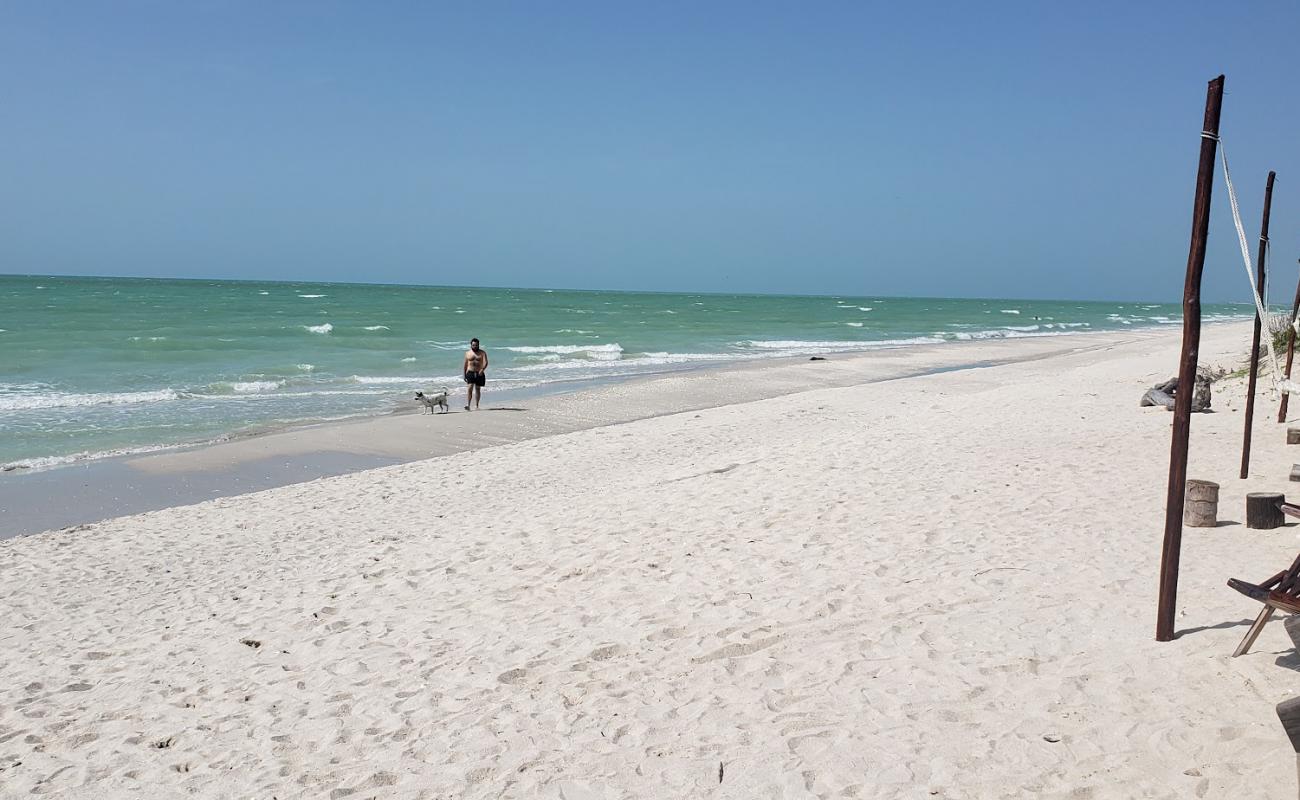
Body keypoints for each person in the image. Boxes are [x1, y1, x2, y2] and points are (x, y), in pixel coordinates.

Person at [462, 338, 488, 410]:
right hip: (470, 372)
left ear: (478, 345)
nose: (475, 346)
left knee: (477, 389)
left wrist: (482, 369)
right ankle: (468, 405)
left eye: (476, 345)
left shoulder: (482, 353)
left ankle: (477, 405)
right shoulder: (467, 353)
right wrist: (464, 375)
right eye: (473, 345)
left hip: (479, 373)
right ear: (471, 345)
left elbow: (486, 363)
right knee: (469, 388)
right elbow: (465, 365)